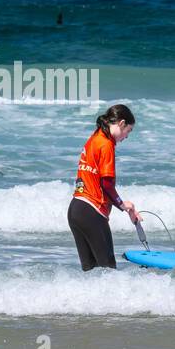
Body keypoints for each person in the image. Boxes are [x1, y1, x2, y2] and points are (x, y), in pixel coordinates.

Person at [68, 104, 140, 271]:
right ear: (121, 123)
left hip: (76, 209)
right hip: (91, 211)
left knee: (90, 272)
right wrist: (123, 205)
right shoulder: (106, 144)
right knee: (109, 271)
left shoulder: (94, 138)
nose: (126, 137)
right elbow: (106, 183)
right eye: (128, 131)